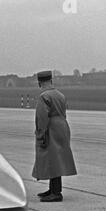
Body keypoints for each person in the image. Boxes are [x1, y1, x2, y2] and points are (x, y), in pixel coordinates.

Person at [32, 70, 77, 202]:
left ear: (40, 83)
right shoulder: (60, 95)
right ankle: (53, 189)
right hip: (62, 126)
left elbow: (42, 117)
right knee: (57, 159)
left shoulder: (44, 96)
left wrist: (40, 133)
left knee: (52, 160)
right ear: (51, 80)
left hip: (51, 128)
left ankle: (56, 192)